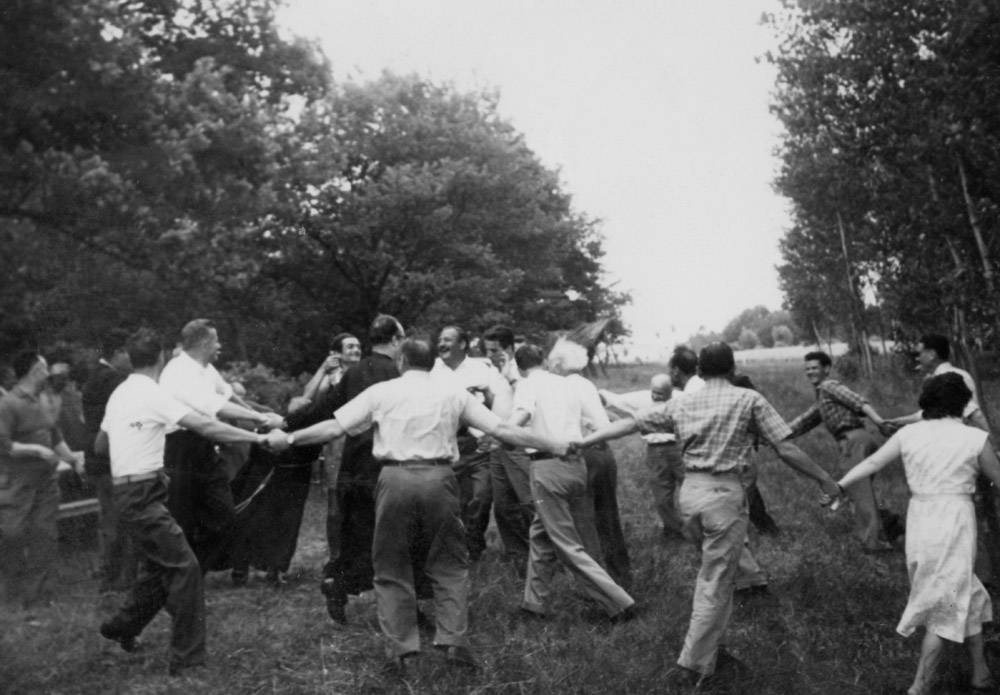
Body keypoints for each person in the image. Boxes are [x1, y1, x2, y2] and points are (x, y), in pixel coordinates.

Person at [265, 338, 567, 672]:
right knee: (449, 563)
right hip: (440, 478)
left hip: (394, 479)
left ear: (403, 360)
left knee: (391, 565)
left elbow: (334, 427)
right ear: (429, 362)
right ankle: (453, 643)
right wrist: (554, 443)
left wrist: (290, 438)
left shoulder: (382, 392)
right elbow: (501, 428)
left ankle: (401, 651)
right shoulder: (452, 392)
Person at [577, 343, 839, 687]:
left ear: (699, 371)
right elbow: (785, 446)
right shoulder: (748, 399)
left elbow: (629, 424)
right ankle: (695, 666)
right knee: (715, 581)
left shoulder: (683, 401)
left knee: (712, 572)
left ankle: (711, 649)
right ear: (732, 369)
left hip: (691, 496)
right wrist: (825, 479)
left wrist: (582, 442)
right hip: (723, 496)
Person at [96, 329, 268, 677]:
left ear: (129, 358)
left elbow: (101, 445)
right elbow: (207, 426)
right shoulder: (153, 394)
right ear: (160, 357)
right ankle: (187, 662)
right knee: (186, 570)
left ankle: (122, 626)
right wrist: (259, 436)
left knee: (163, 568)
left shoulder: (119, 394)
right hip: (142, 495)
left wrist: (136, 443)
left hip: (131, 492)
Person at [834, 373, 1000, 695]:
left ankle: (980, 673)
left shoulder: (909, 433)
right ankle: (919, 686)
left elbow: (871, 463)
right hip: (954, 520)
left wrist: (841, 485)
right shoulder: (974, 438)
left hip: (921, 520)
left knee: (963, 589)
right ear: (962, 403)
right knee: (945, 605)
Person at [512, 343, 636, 623]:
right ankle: (533, 604)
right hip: (576, 465)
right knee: (541, 536)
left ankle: (619, 602)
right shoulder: (570, 384)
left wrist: (501, 432)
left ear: (519, 367)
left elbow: (521, 415)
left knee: (567, 545)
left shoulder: (527, 383)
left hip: (546, 467)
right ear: (544, 360)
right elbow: (596, 421)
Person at [158, 319, 283, 572]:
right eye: (216, 340)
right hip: (179, 449)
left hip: (203, 447)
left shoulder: (204, 367)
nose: (220, 345)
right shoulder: (179, 371)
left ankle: (199, 567)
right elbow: (217, 408)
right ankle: (186, 574)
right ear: (204, 343)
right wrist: (260, 419)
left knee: (223, 514)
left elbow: (227, 394)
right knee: (184, 518)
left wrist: (257, 415)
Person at [316, 315, 405, 624]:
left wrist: (286, 424)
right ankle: (403, 608)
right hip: (387, 466)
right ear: (395, 340)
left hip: (354, 468)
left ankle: (339, 585)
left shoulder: (353, 371)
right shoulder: (399, 374)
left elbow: (323, 407)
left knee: (358, 536)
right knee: (394, 538)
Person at [787, 351, 897, 552]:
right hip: (855, 441)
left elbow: (857, 401)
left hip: (854, 440)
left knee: (857, 492)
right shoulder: (822, 398)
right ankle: (892, 524)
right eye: (807, 369)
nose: (810, 372)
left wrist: (879, 421)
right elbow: (803, 422)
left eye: (814, 368)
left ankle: (875, 544)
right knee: (860, 490)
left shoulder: (829, 386)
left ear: (826, 369)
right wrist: (772, 436)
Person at [0, 351, 84, 606]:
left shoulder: (45, 401)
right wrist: (35, 450)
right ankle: (11, 594)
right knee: (12, 535)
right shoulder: (8, 404)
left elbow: (54, 435)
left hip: (46, 483)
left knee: (44, 537)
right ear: (35, 370)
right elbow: (3, 445)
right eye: (45, 368)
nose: (49, 374)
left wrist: (72, 459)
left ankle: (37, 596)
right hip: (16, 484)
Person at [547, 338, 631, 588]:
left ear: (560, 364)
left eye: (550, 364)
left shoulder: (563, 387)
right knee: (608, 517)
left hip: (584, 454)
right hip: (604, 453)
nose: (549, 369)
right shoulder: (586, 384)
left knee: (584, 521)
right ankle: (621, 576)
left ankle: (597, 588)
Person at [431, 325, 513, 561]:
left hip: (478, 445)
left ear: (462, 344)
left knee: (480, 496)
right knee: (449, 500)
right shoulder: (432, 369)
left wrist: (484, 395)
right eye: (440, 340)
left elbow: (499, 399)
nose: (442, 344)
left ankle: (473, 548)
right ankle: (451, 549)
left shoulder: (481, 369)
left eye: (447, 339)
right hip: (446, 443)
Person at [82, 329, 136, 594]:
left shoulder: (95, 377)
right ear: (116, 353)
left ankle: (113, 577)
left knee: (110, 519)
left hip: (99, 459)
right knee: (118, 520)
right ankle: (115, 580)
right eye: (126, 352)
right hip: (110, 460)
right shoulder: (113, 380)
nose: (130, 358)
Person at [600, 373, 685, 539]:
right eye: (653, 392)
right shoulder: (642, 398)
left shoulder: (683, 398)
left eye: (660, 393)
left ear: (670, 391)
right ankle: (675, 529)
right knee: (661, 497)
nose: (655, 396)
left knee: (692, 491)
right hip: (656, 452)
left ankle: (704, 527)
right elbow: (610, 398)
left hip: (680, 449)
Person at [483, 324, 534, 569]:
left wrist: (509, 376)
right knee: (503, 506)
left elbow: (528, 400)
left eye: (495, 350)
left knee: (529, 502)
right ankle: (518, 555)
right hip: (498, 444)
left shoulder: (520, 370)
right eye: (488, 350)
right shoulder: (491, 370)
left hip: (519, 444)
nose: (491, 355)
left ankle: (544, 553)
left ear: (509, 348)